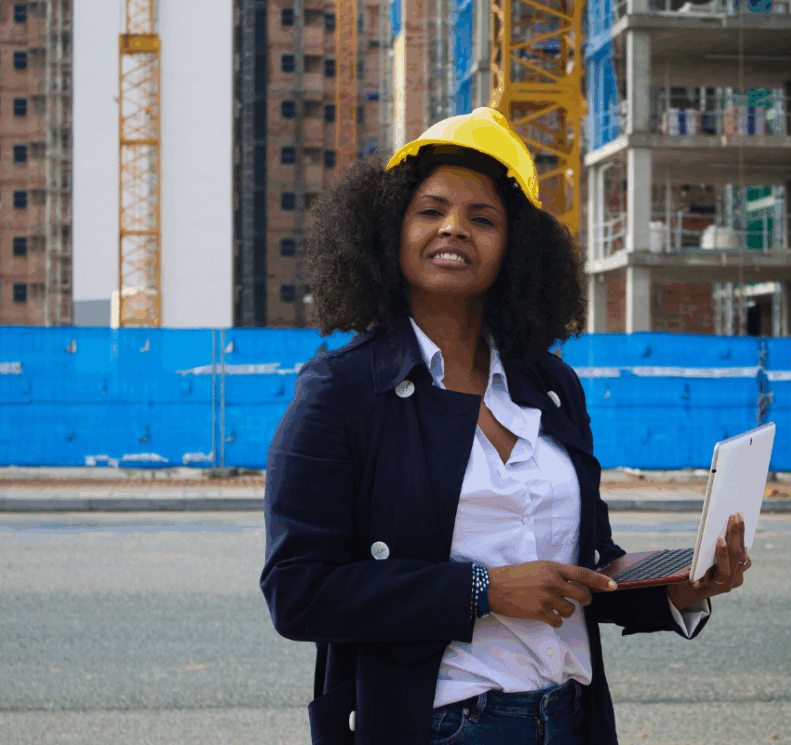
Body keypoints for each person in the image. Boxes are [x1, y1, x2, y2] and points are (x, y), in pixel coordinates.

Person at [260, 107, 752, 745]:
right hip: (439, 725)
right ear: (387, 231)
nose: (455, 228)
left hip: (569, 720)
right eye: (431, 210)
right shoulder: (342, 391)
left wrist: (680, 587)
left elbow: (587, 564)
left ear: (515, 248)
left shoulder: (550, 385)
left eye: (483, 217)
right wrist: (480, 590)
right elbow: (299, 590)